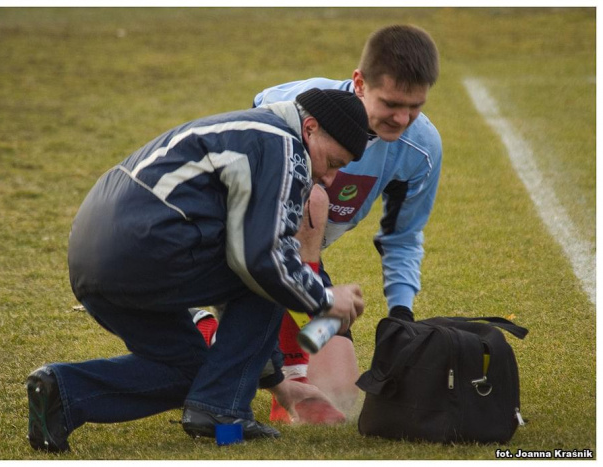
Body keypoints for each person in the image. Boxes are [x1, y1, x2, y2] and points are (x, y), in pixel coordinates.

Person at [25, 88, 368, 452]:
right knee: (273, 271)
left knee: (191, 373)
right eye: (333, 163)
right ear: (310, 128)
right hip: (144, 251)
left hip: (94, 260)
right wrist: (324, 297)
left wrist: (276, 382)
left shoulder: (248, 131)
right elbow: (263, 261)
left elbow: (245, 254)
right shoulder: (284, 146)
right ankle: (221, 412)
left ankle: (63, 391)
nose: (329, 179)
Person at [252, 24, 442, 422]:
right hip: (253, 251)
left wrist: (401, 317)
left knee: (342, 399)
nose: (403, 118)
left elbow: (403, 238)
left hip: (306, 266)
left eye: (415, 106)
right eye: (391, 103)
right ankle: (215, 329)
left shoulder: (421, 149)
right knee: (312, 197)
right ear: (359, 82)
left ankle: (291, 352)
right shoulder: (294, 107)